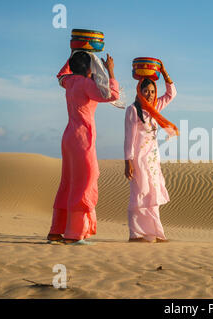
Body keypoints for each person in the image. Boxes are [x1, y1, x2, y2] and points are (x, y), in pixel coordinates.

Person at [47, 51, 120, 245]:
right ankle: (74, 233)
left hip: (69, 138)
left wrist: (73, 52)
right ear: (89, 68)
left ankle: (56, 230)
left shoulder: (69, 81)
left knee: (68, 183)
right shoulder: (86, 84)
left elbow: (60, 75)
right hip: (82, 140)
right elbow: (112, 95)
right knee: (85, 183)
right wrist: (111, 72)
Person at [124, 61, 178, 243]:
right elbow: (129, 138)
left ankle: (155, 233)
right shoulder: (133, 110)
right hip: (138, 159)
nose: (149, 94)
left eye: (153, 91)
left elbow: (172, 94)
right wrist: (128, 161)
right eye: (146, 91)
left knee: (153, 194)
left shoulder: (155, 109)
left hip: (153, 159)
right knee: (140, 193)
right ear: (139, 90)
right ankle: (135, 233)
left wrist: (164, 72)